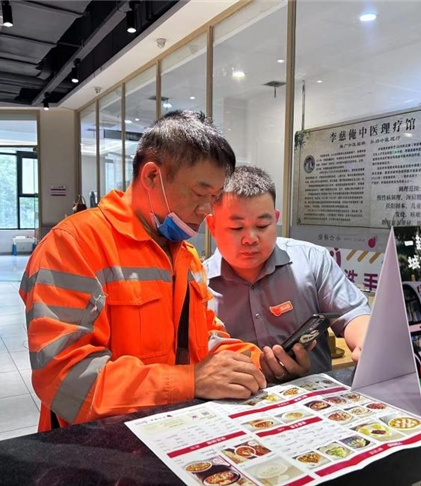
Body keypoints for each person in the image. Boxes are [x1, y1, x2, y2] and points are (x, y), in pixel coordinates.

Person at [20, 111, 266, 432]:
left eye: (214, 198)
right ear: (151, 177)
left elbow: (205, 337)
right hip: (96, 446)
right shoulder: (74, 244)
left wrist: (259, 363)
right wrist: (188, 381)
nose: (206, 211)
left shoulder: (185, 256)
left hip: (172, 431)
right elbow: (65, 379)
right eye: (199, 192)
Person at [203, 166, 371, 383]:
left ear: (276, 219)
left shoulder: (311, 260)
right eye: (236, 228)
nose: (250, 238)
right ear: (212, 226)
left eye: (263, 225)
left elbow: (353, 313)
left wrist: (366, 341)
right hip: (233, 406)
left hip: (316, 400)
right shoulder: (197, 283)